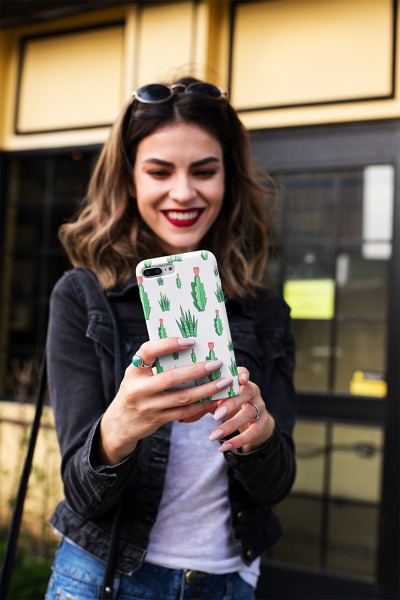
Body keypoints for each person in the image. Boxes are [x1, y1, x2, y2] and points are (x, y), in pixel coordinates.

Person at [45, 76, 297, 600]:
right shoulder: (83, 296)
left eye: (204, 171)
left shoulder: (266, 310)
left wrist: (261, 435)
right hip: (101, 578)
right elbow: (81, 494)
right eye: (159, 171)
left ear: (229, 178)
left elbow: (277, 486)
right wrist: (120, 427)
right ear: (129, 179)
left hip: (226, 583)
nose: (183, 192)